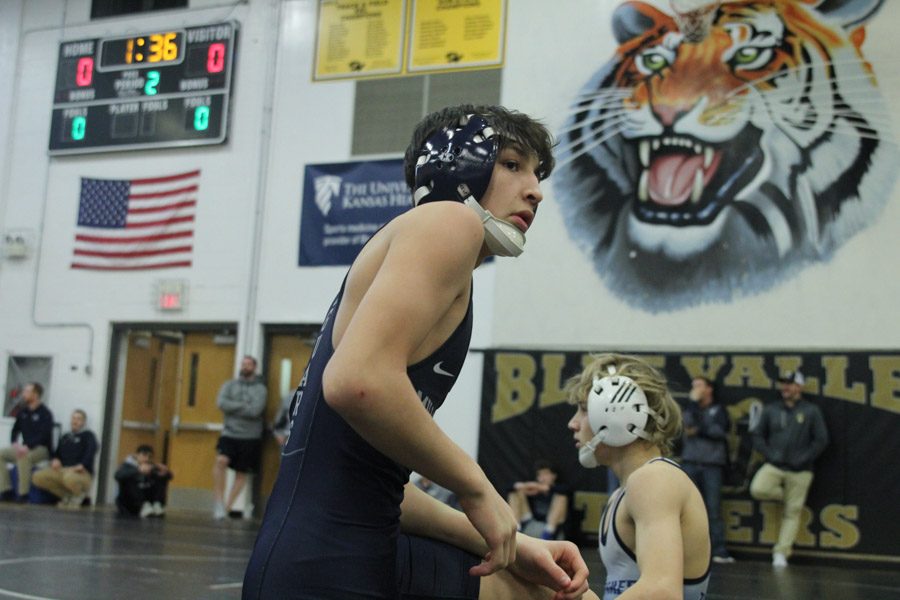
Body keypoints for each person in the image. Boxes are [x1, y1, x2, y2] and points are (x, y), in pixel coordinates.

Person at [243, 105, 594, 600]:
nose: (536, 189)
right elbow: (355, 381)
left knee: (555, 590)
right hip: (329, 569)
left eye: (538, 173)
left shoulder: (431, 255)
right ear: (455, 164)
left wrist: (514, 540)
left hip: (336, 554)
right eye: (514, 165)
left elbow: (373, 485)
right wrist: (478, 488)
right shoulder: (447, 223)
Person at [566, 353, 711, 599]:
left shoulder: (654, 480)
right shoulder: (624, 492)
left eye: (582, 410)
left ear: (615, 413)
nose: (573, 423)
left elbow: (662, 592)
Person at [750, 370, 829, 568]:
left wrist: (804, 458)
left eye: (790, 383)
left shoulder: (811, 411)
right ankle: (787, 498)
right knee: (759, 488)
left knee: (792, 512)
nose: (785, 387)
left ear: (799, 387)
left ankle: (781, 552)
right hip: (775, 465)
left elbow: (821, 440)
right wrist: (770, 454)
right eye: (783, 383)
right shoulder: (772, 409)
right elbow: (758, 435)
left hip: (801, 470)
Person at [681, 376, 735, 563]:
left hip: (712, 464)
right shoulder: (690, 407)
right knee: (686, 508)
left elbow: (718, 432)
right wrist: (694, 408)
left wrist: (699, 428)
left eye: (699, 385)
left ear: (709, 389)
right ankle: (686, 549)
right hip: (690, 461)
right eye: (693, 385)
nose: (694, 389)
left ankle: (719, 549)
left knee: (713, 508)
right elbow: (686, 426)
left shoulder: (719, 410)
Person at [213, 355, 267, 520]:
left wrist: (233, 407)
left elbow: (256, 410)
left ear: (254, 367)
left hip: (250, 436)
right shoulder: (229, 385)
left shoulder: (260, 389)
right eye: (243, 364)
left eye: (248, 364)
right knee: (221, 461)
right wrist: (244, 406)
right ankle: (218, 502)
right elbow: (221, 403)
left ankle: (228, 507)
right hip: (230, 433)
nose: (245, 367)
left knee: (241, 473)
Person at [32, 409, 98, 508]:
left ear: (83, 422)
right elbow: (56, 453)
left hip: (81, 472)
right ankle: (67, 496)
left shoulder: (89, 436)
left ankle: (78, 495)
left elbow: (91, 451)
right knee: (38, 477)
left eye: (79, 419)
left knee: (68, 477)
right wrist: (55, 459)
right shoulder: (65, 436)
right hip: (63, 470)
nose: (75, 421)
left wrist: (82, 465)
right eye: (73, 418)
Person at [0, 382, 54, 502]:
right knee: (1, 454)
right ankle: (5, 489)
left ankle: (23, 493)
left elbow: (43, 436)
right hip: (25, 447)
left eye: (27, 391)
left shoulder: (45, 413)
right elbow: (15, 430)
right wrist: (15, 444)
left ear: (35, 395)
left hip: (41, 449)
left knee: (23, 457)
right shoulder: (23, 412)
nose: (23, 394)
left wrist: (27, 447)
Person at [508, 459, 569, 540]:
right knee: (515, 493)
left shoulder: (560, 489)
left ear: (554, 476)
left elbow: (565, 491)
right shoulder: (533, 490)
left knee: (561, 497)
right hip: (531, 525)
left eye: (545, 474)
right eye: (539, 475)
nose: (542, 478)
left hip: (552, 530)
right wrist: (524, 486)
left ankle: (548, 533)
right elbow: (509, 488)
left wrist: (542, 488)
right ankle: (516, 529)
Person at [114, 444, 173, 518]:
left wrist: (165, 471)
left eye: (149, 457)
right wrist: (138, 470)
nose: (147, 459)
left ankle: (157, 504)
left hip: (147, 500)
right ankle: (142, 505)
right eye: (144, 455)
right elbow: (117, 475)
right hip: (129, 503)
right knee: (130, 478)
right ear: (136, 455)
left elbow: (170, 476)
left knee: (160, 477)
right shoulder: (126, 465)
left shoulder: (150, 466)